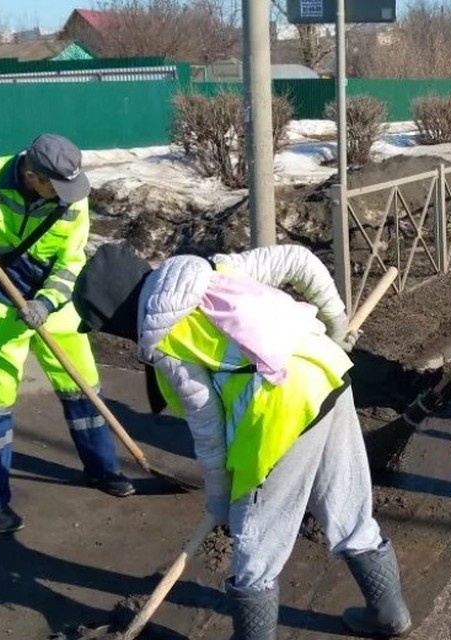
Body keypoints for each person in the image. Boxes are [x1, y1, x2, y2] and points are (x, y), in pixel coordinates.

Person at [71, 243, 412, 640]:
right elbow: (298, 260)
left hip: (281, 410)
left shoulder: (167, 339)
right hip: (328, 374)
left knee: (255, 535)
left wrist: (220, 496)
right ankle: (389, 613)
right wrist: (334, 324)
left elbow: (209, 428)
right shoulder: (211, 269)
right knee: (344, 499)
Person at [0, 134, 132, 535]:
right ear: (32, 175)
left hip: (55, 300)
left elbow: (70, 261)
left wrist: (47, 304)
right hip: (0, 300)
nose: (68, 196)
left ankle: (103, 469)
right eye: (58, 188)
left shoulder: (71, 193)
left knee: (83, 386)